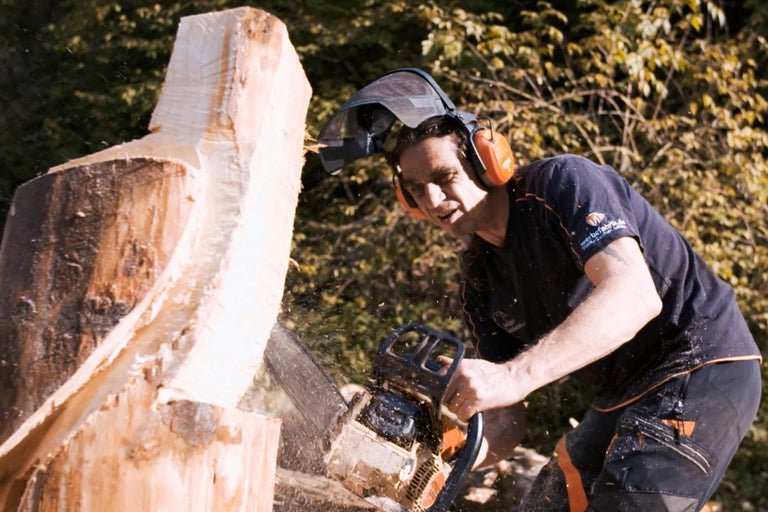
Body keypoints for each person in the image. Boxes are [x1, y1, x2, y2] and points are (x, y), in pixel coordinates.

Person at [317, 69, 762, 511]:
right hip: (619, 395)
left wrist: (512, 375)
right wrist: (432, 461)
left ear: (486, 160)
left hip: (701, 363)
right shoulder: (479, 277)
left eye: (443, 177)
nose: (433, 201)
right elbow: (507, 418)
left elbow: (634, 294)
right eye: (417, 190)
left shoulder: (562, 184)